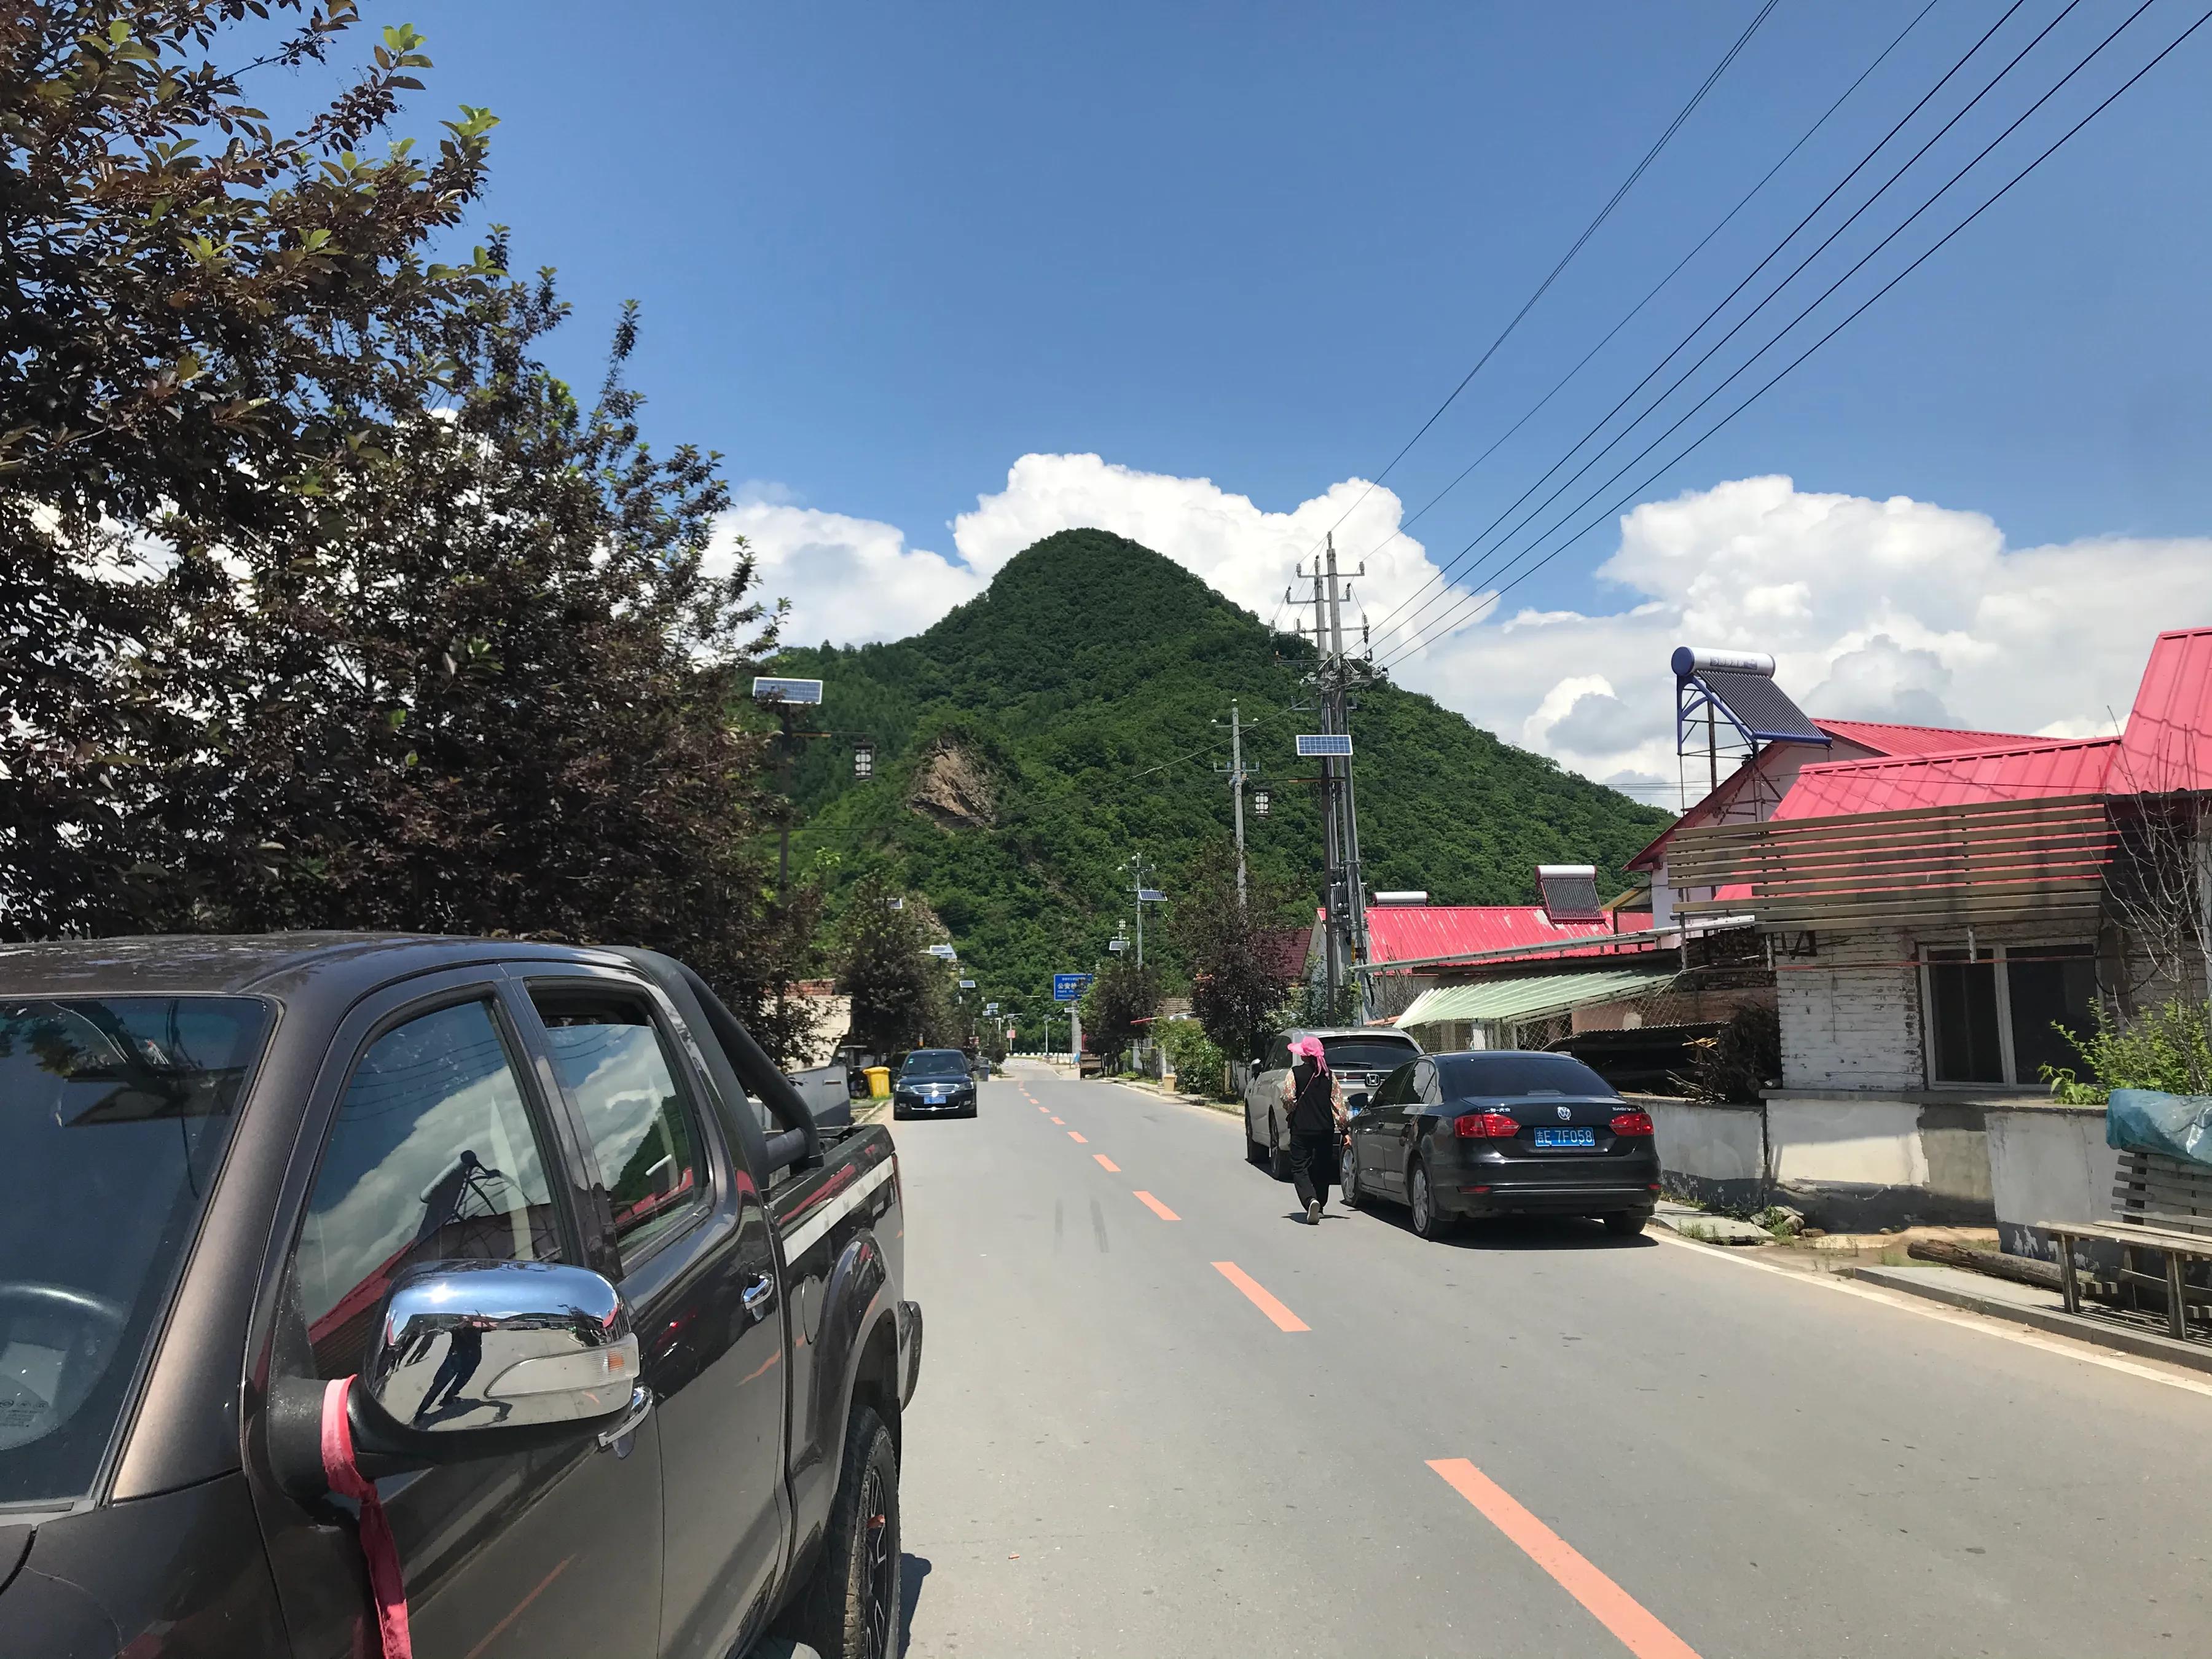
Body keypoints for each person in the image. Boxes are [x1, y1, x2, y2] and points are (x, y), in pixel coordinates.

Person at [1278, 1035, 1346, 1224]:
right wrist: (1344, 1130)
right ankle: (1320, 1205)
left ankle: (1310, 1200)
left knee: (1300, 1166)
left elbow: (1288, 1098)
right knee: (1322, 1167)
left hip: (1301, 1128)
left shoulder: (1295, 1073)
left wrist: (1292, 1110)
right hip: (1325, 1129)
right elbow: (1339, 1105)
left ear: (1304, 1055)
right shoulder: (1329, 1076)